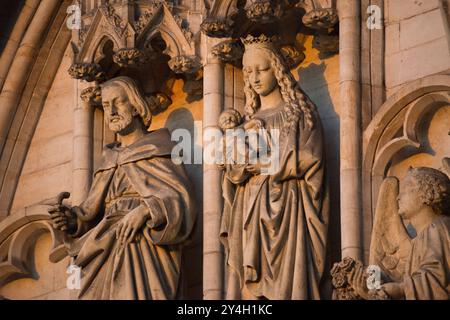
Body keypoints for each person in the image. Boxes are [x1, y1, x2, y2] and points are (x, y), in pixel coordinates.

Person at [48, 76, 196, 300]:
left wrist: (145, 211)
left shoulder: (158, 147)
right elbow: (90, 212)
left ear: (136, 106)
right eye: (106, 106)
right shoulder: (108, 158)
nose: (112, 111)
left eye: (119, 102)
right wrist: (71, 219)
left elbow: (182, 199)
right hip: (104, 247)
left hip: (141, 244)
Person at [220, 34, 330, 300]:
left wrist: (266, 163)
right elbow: (232, 175)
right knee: (251, 282)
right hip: (251, 204)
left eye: (262, 69)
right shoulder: (247, 122)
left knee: (289, 282)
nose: (254, 78)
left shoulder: (299, 112)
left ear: (278, 69)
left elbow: (310, 157)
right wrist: (236, 162)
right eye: (248, 72)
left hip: (289, 205)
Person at [349, 167, 450, 300]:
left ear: (426, 192)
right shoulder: (419, 240)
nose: (398, 197)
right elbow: (414, 283)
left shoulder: (437, 227)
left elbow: (436, 278)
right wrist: (377, 282)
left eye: (405, 190)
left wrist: (401, 289)